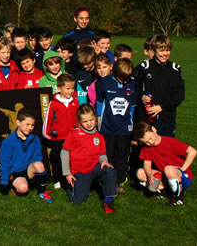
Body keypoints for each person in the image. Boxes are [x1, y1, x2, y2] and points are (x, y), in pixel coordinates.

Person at [61, 104, 117, 213]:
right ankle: (69, 187)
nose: (89, 123)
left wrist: (104, 161)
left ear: (95, 118)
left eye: (91, 120)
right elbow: (64, 153)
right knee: (79, 202)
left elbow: (102, 154)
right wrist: (67, 173)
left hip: (94, 167)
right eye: (85, 121)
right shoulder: (74, 134)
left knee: (110, 171)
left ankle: (108, 200)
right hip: (79, 171)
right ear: (79, 122)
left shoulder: (99, 136)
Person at [95, 58, 136, 194]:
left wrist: (131, 125)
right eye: (121, 78)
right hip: (107, 128)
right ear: (114, 72)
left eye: (126, 79)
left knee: (122, 157)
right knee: (108, 155)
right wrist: (99, 124)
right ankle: (108, 180)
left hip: (124, 129)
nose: (124, 82)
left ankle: (120, 181)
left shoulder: (133, 84)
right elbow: (100, 104)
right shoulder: (104, 83)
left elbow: (133, 107)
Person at [133, 122, 197, 206]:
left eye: (151, 138)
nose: (150, 142)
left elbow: (192, 151)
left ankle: (179, 197)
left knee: (169, 169)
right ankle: (164, 192)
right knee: (140, 173)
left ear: (154, 130)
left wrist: (182, 169)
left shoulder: (170, 141)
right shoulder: (147, 148)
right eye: (146, 142)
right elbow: (147, 164)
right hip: (165, 176)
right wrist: (149, 175)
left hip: (181, 176)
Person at [135, 35, 184, 137]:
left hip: (167, 117)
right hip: (146, 118)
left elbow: (179, 96)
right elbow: (135, 88)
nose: (165, 54)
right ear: (153, 50)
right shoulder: (144, 68)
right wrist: (141, 96)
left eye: (167, 50)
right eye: (161, 51)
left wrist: (162, 107)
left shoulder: (175, 70)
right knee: (147, 150)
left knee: (166, 149)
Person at [0, 108, 52, 203]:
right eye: (27, 124)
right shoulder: (8, 142)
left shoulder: (35, 139)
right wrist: (4, 182)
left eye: (32, 125)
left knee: (39, 164)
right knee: (23, 189)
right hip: (15, 173)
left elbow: (37, 158)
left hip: (28, 170)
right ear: (18, 122)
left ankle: (42, 191)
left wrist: (37, 175)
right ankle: (14, 188)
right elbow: (5, 163)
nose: (30, 128)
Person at [43, 74, 79, 190]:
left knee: (71, 160)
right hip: (58, 139)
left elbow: (78, 120)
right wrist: (50, 137)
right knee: (57, 160)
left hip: (72, 138)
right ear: (59, 89)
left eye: (72, 88)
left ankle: (69, 180)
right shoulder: (53, 104)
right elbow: (47, 122)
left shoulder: (75, 102)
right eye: (68, 88)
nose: (71, 91)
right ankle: (57, 180)